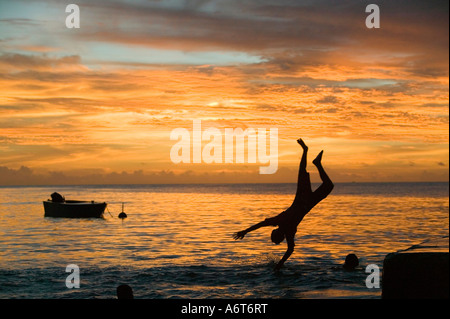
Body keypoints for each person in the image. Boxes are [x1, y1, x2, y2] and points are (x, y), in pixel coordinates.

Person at [233, 138, 334, 271]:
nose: (282, 240)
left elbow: (261, 225)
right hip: (309, 202)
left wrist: (245, 231)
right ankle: (316, 163)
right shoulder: (289, 231)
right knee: (327, 185)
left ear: (279, 234)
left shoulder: (281, 223)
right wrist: (280, 263)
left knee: (303, 172)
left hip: (302, 199)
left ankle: (307, 152)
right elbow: (290, 249)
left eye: (280, 240)